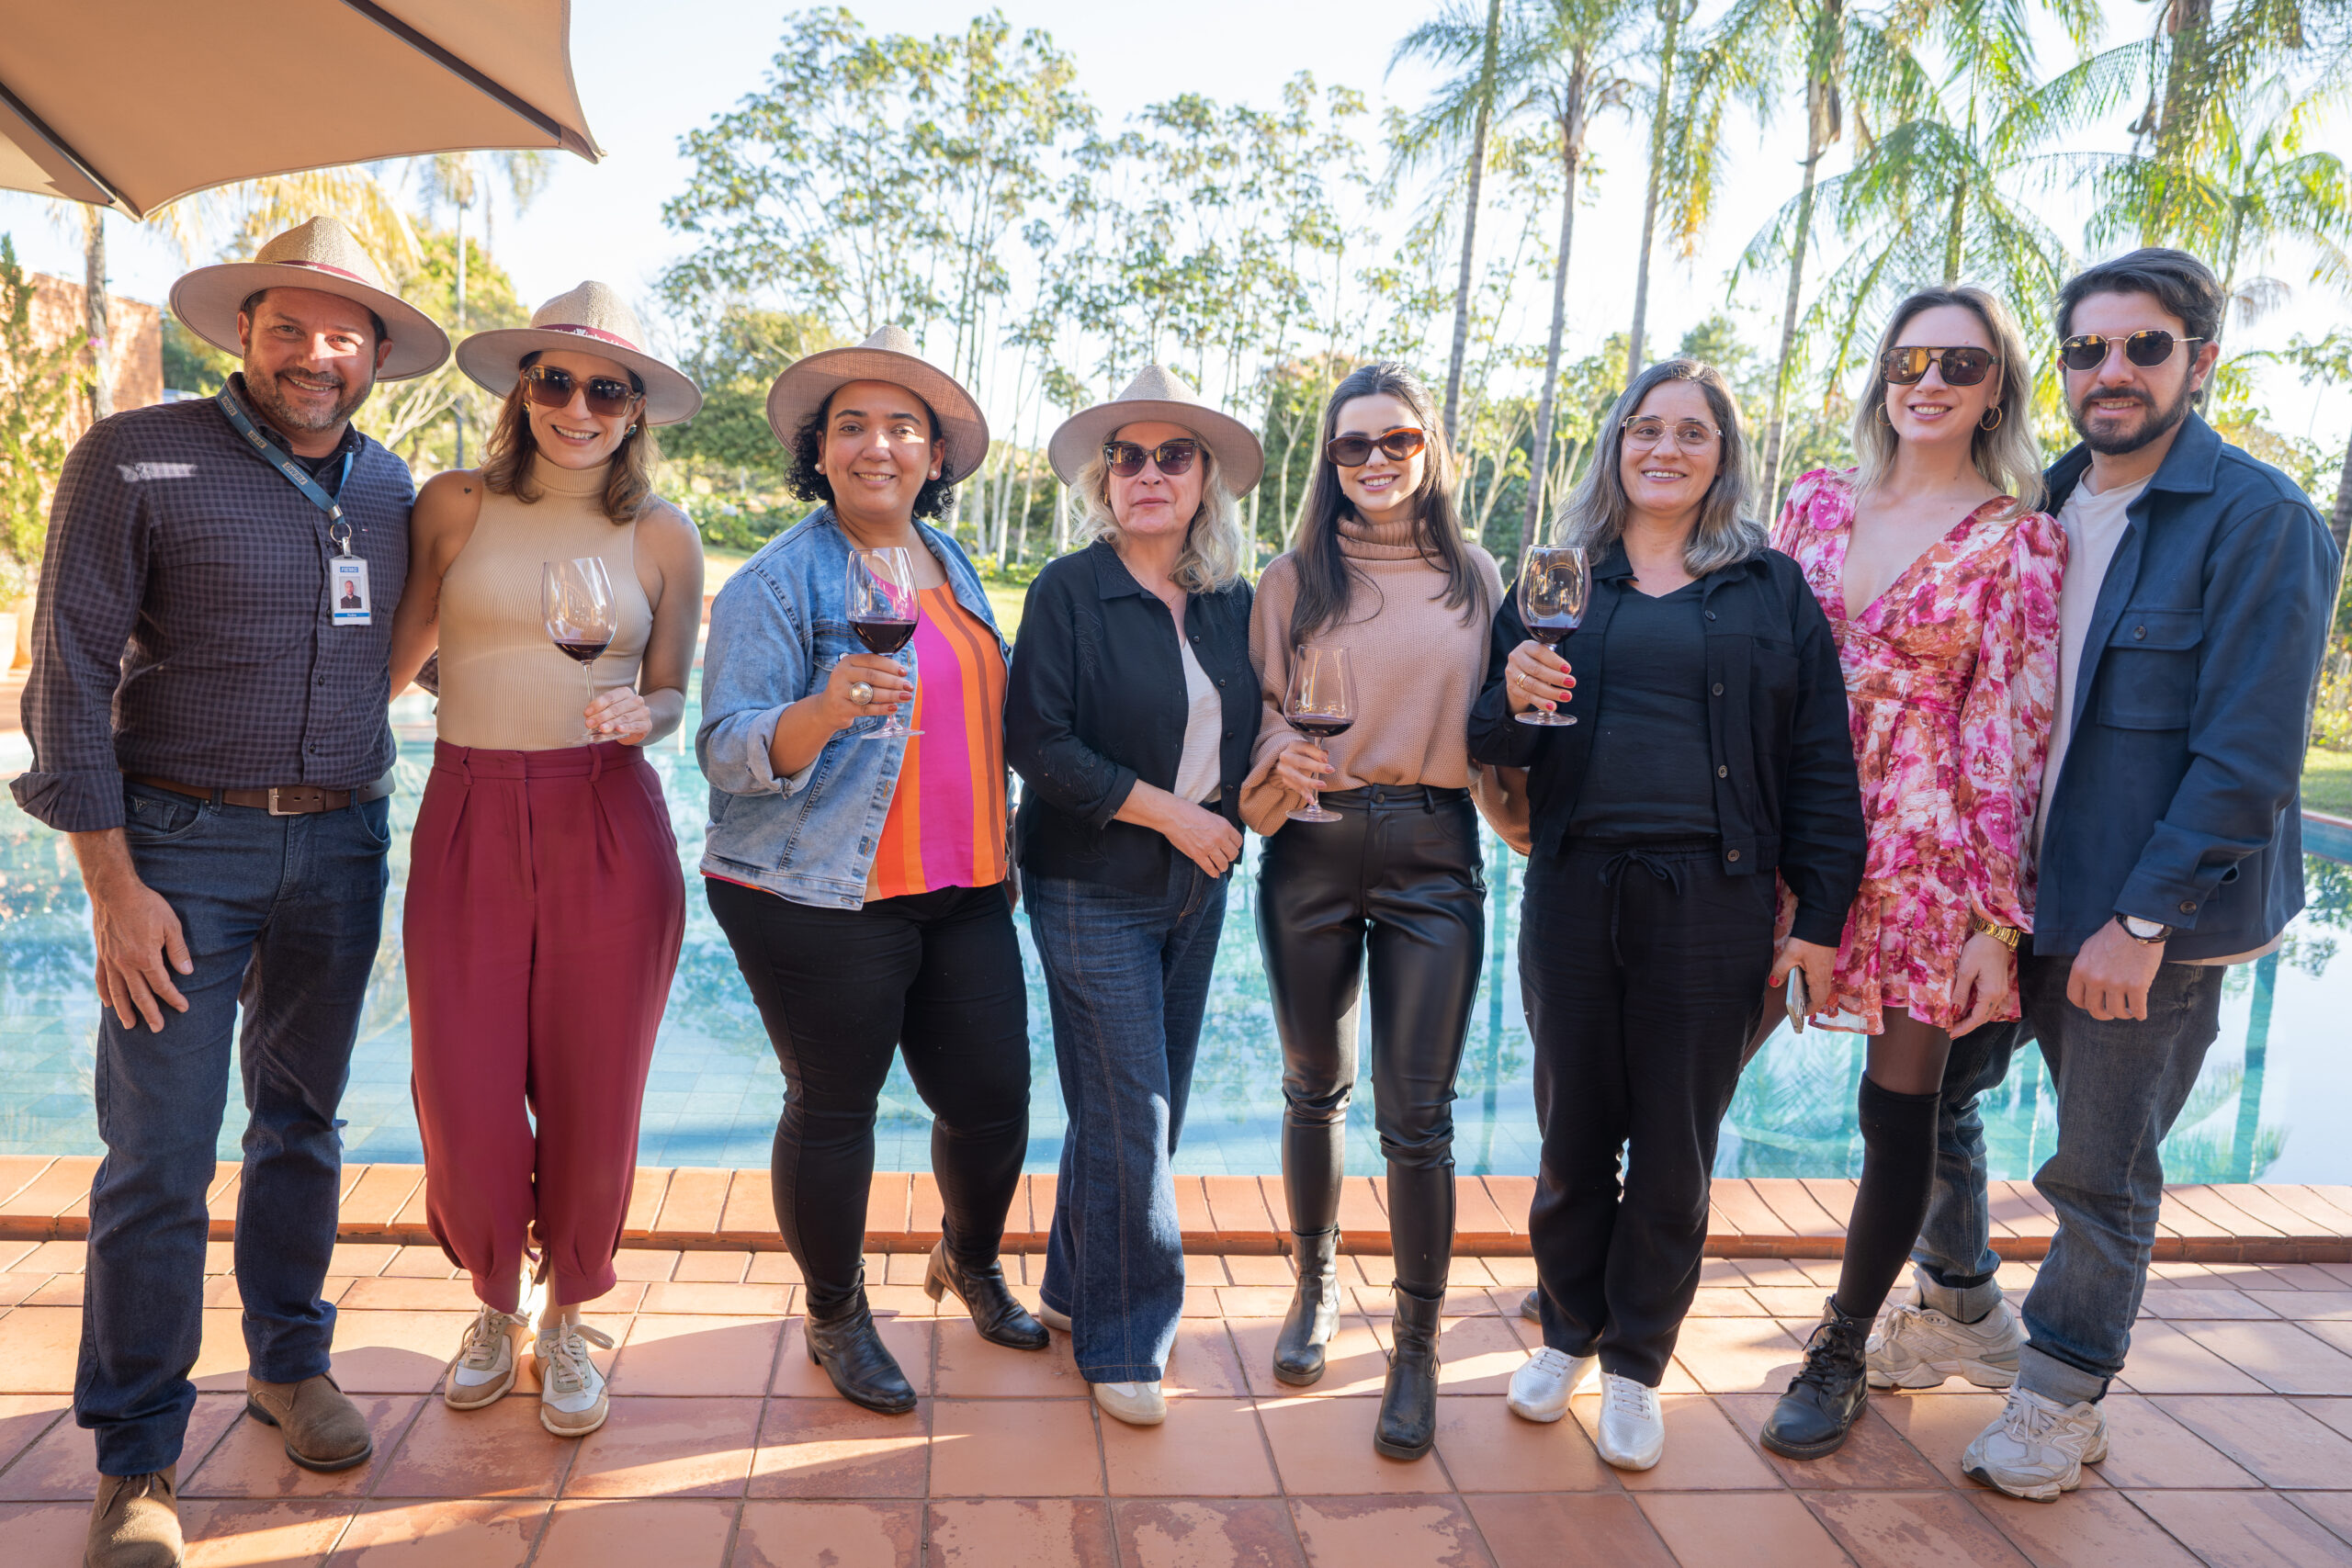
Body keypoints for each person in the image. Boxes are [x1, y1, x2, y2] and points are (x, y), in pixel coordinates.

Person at [1866, 250, 2340, 1499]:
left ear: (2201, 360)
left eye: (2144, 346)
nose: (2112, 370)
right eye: (2088, 348)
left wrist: (2143, 917)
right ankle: (1960, 1307)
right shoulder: (2042, 504)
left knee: (2098, 1166)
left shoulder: (2258, 518)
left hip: (2138, 916)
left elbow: (2250, 754)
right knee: (1928, 1101)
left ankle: (2061, 1393)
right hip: (2005, 894)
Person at [10, 217, 447, 1567]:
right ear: (243, 332)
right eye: (290, 327)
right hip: (178, 849)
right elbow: (66, 679)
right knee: (159, 1155)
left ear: (377, 352)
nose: (317, 354)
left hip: (342, 846)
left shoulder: (392, 485)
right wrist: (112, 886)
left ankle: (287, 1363)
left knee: (302, 1121)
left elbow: (421, 645)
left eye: (344, 333)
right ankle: (136, 1455)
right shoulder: (134, 456)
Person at [1469, 358, 1865, 1472]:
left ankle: (1637, 1364)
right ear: (1617, 445)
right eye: (1646, 428)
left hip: (1714, 898)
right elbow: (1486, 738)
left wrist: (1818, 916)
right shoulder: (1558, 577)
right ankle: (1567, 1332)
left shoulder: (1768, 587)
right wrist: (1511, 696)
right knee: (1571, 1135)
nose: (1666, 449)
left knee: (1675, 1151)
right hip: (1574, 887)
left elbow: (1820, 759)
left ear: (1721, 455)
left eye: (1692, 432)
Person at [697, 326, 1043, 1416]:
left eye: (902, 427)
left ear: (934, 456)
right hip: (815, 895)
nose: (877, 446)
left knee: (991, 1099)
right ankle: (836, 1313)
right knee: (836, 1107)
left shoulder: (950, 562)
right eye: (852, 426)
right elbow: (725, 750)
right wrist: (821, 708)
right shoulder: (775, 582)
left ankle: (968, 1259)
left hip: (966, 886)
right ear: (821, 451)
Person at [1752, 288, 2066, 1460]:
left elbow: (2013, 731)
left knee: (1900, 1112)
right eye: (1907, 360)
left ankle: (1840, 1346)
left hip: (1926, 843)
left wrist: (1996, 918)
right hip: (1787, 819)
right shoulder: (1814, 502)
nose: (1927, 381)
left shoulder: (2019, 538)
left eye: (1959, 364)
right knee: (1696, 1056)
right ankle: (1615, 1280)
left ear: (1996, 391)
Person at [385, 283, 704, 1438]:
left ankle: (566, 1313)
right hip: (467, 809)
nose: (578, 407)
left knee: (593, 1090)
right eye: (555, 381)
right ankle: (492, 1300)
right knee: (460, 1091)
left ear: (635, 410)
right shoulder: (454, 505)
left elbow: (670, 693)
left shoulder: (663, 533)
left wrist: (642, 716)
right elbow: (394, 663)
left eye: (605, 389)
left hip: (606, 821)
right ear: (523, 390)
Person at [1242, 362, 1503, 1461]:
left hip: (1434, 853)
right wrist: (1279, 752)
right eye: (1354, 445)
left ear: (1430, 449)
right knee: (1313, 1089)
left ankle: (1415, 1347)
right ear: (1330, 461)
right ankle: (1314, 1288)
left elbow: (1503, 720)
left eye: (1397, 440)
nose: (1377, 461)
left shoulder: (1475, 576)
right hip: (1308, 851)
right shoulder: (1289, 578)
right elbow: (1263, 711)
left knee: (1417, 1116)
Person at [1006, 366, 1264, 1427]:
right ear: (1104, 479)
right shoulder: (1070, 590)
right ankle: (1125, 1341)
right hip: (1088, 880)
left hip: (1198, 881)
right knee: (1135, 1112)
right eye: (1128, 457)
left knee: (1137, 1107)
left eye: (1174, 456)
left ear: (1205, 480)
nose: (1149, 473)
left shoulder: (1234, 603)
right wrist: (1175, 816)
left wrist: (1261, 794)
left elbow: (1262, 729)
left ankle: (1075, 1290)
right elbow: (1037, 742)